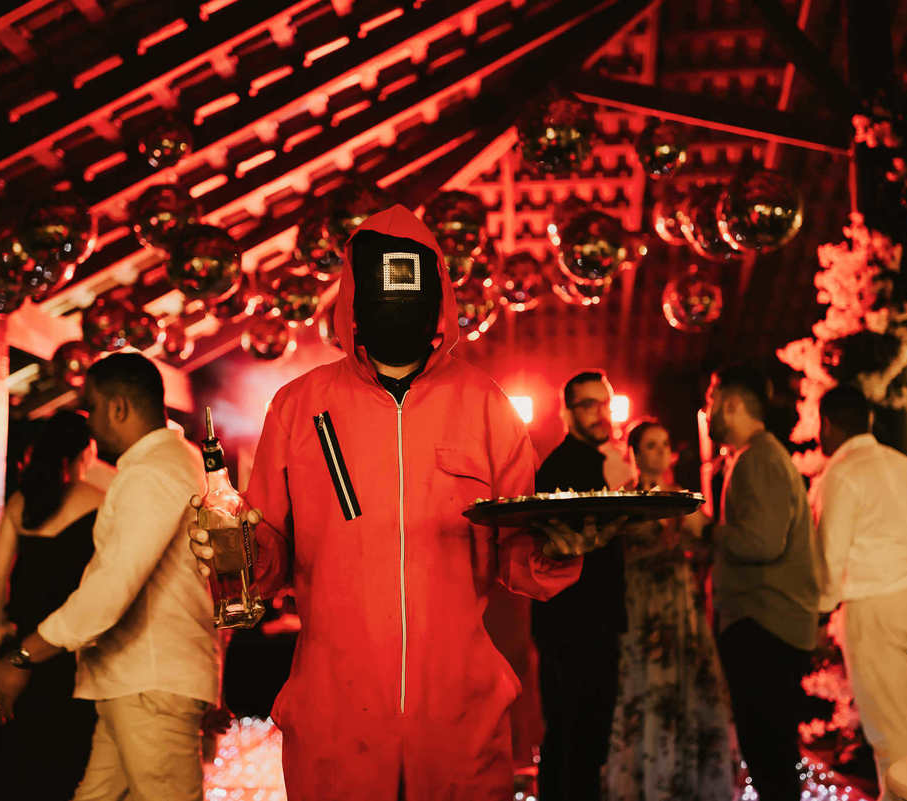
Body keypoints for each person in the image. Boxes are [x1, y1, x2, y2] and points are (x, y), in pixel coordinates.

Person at [189, 204, 606, 801]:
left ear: (438, 299)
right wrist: (234, 550)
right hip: (337, 720)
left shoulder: (484, 406)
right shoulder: (298, 407)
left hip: (459, 722)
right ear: (353, 301)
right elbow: (270, 556)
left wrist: (560, 548)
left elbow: (519, 556)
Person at [0, 353, 218, 801]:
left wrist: (24, 655)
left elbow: (112, 587)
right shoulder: (172, 461)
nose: (89, 423)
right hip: (131, 679)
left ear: (118, 407)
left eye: (91, 408)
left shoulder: (153, 472)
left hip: (149, 680)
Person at [810, 384, 907, 800]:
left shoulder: (841, 473)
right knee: (904, 719)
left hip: (875, 605)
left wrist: (818, 612)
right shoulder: (903, 466)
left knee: (889, 732)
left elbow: (830, 557)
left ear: (827, 425)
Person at [704, 365, 819, 801]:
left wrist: (708, 530)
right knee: (769, 753)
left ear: (731, 405)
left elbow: (762, 542)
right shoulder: (755, 457)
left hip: (764, 624)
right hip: (764, 622)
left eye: (712, 404)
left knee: (769, 754)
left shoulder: (759, 459)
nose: (708, 413)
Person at [606, 420, 734, 801]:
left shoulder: (682, 497)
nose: (661, 452)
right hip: (640, 602)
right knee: (643, 687)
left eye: (665, 444)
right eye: (651, 445)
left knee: (685, 686)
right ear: (634, 453)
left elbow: (709, 540)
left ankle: (685, 781)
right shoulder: (622, 499)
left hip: (679, 603)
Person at [0, 410, 104, 801]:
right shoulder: (99, 501)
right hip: (67, 642)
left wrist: (1, 623)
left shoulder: (21, 500)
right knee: (63, 755)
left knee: (14, 747)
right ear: (86, 452)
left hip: (21, 635)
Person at [530, 371, 627, 801]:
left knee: (580, 737)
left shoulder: (599, 462)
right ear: (566, 413)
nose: (600, 413)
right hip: (573, 625)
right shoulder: (563, 467)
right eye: (589, 405)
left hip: (589, 621)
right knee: (576, 738)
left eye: (604, 403)